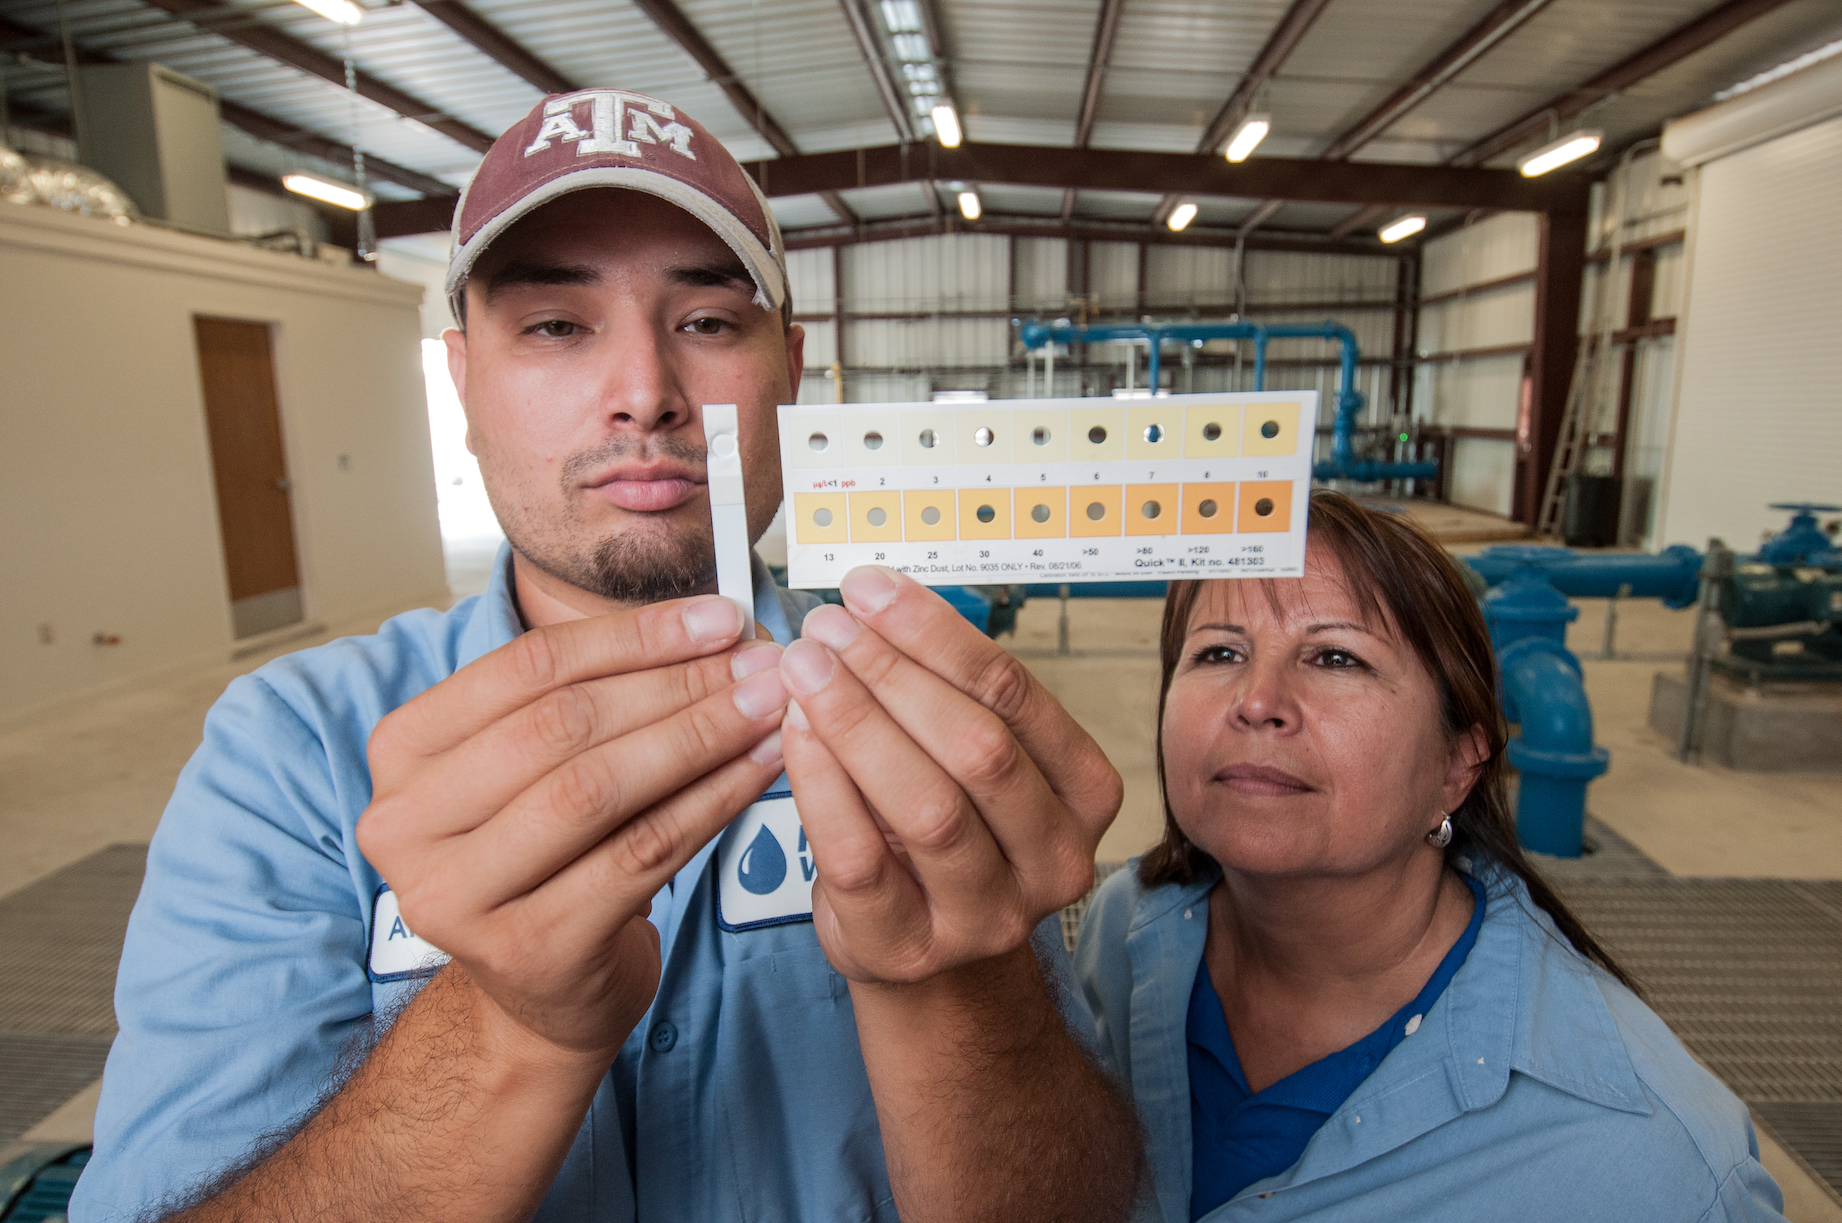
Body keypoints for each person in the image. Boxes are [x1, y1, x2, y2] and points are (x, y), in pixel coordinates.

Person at [72, 89, 1142, 1223]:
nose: (646, 394)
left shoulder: (932, 733)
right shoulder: (293, 752)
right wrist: (510, 1028)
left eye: (711, 323)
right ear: (461, 379)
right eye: (554, 325)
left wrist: (967, 988)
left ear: (792, 368)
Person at [1074, 491, 1787, 1221]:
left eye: (1335, 656)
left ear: (1458, 762)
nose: (1257, 700)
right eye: (1220, 650)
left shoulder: (1660, 1164)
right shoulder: (1126, 926)